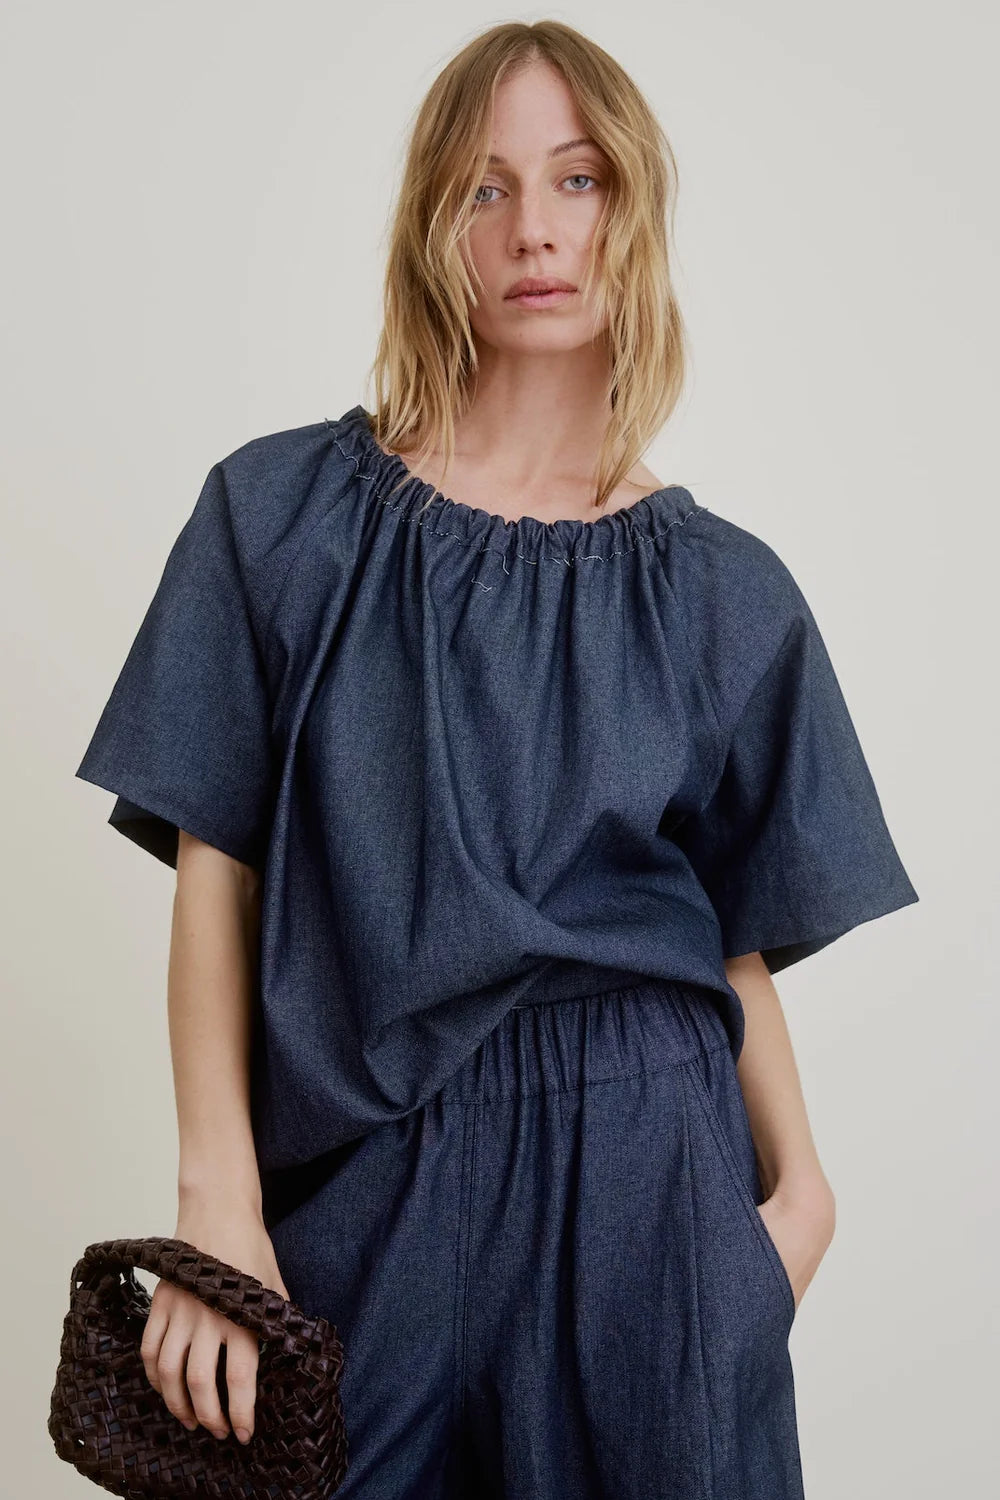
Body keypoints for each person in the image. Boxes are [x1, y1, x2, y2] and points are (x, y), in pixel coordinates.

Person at [74, 20, 919, 1500]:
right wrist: (218, 1196)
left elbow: (730, 943)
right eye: (484, 188)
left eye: (577, 180)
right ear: (430, 231)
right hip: (363, 1189)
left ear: (633, 209)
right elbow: (220, 869)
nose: (533, 226)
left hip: (650, 1190)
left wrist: (800, 1207)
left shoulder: (724, 593)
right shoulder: (279, 522)